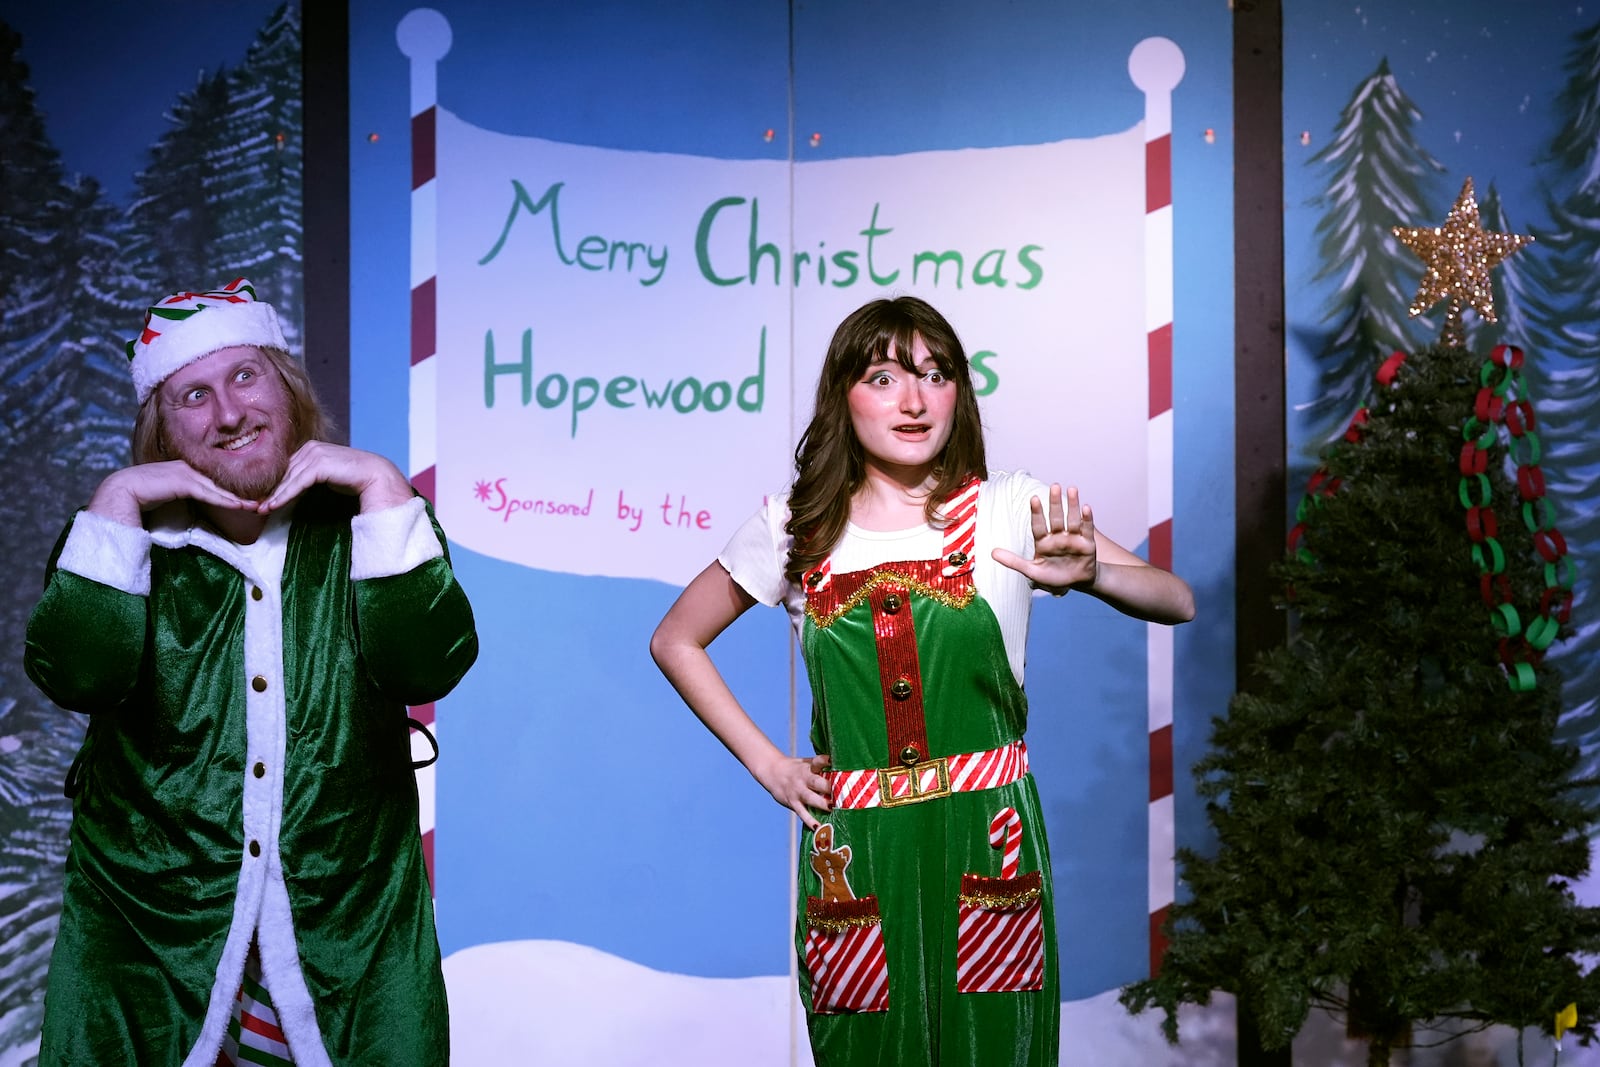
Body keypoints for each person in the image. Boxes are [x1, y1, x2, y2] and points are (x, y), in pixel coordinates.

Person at [650, 296, 1194, 1065]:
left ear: (957, 394)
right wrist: (769, 765)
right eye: (883, 376)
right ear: (844, 394)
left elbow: (1177, 598)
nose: (913, 400)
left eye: (935, 375)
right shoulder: (795, 527)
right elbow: (676, 638)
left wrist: (1096, 571)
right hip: (858, 852)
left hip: (989, 841)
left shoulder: (1008, 504)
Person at [24, 278, 479, 1067]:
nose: (228, 413)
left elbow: (430, 662)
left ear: (286, 385)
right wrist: (117, 498)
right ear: (160, 425)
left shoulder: (371, 524)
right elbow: (77, 677)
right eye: (192, 394)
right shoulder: (114, 536)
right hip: (148, 943)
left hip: (352, 934)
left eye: (244, 376)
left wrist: (381, 485)